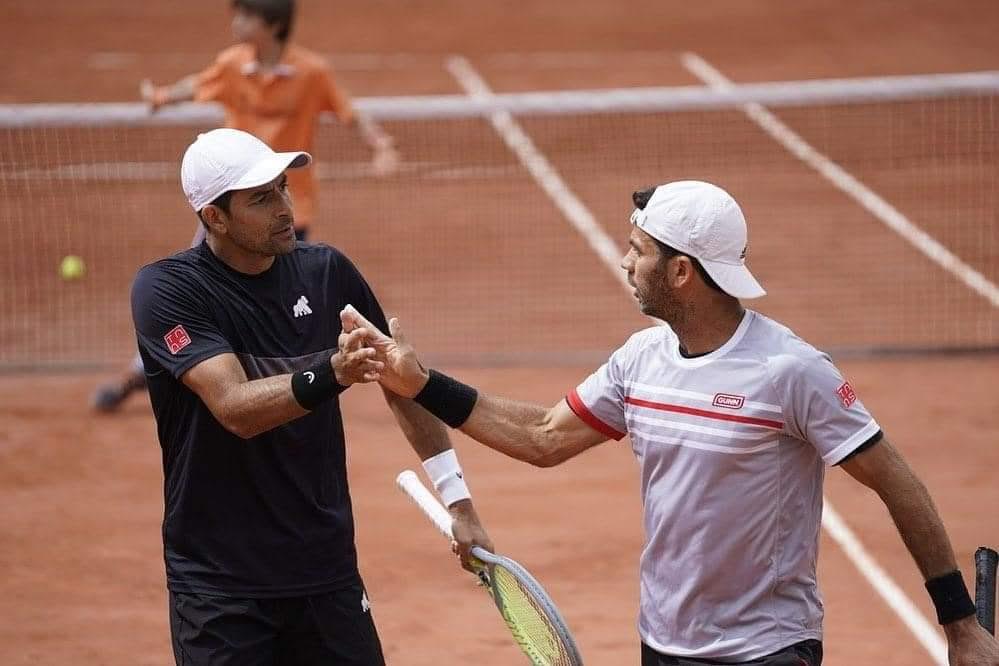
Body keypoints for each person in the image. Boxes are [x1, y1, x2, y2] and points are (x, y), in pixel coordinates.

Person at [341, 181, 999, 665]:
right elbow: (542, 437)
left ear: (681, 272)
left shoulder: (788, 372)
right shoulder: (640, 360)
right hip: (663, 643)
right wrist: (422, 384)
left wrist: (959, 623)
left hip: (765, 649)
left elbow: (897, 482)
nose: (624, 262)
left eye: (638, 250)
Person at [132, 127, 490, 665]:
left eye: (282, 187)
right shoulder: (169, 291)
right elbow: (234, 407)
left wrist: (459, 503)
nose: (284, 207)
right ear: (214, 217)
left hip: (326, 573)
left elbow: (404, 386)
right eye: (261, 198)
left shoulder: (326, 272)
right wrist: (333, 372)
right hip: (221, 588)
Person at [93, 0, 397, 411]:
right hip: (234, 211)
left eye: (246, 15)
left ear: (271, 24)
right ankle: (145, 372)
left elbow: (349, 112)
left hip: (291, 212)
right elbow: (197, 85)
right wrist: (162, 97)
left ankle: (268, 384)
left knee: (281, 304)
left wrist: (381, 144)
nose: (236, 22)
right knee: (192, 297)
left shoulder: (311, 73)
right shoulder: (233, 64)